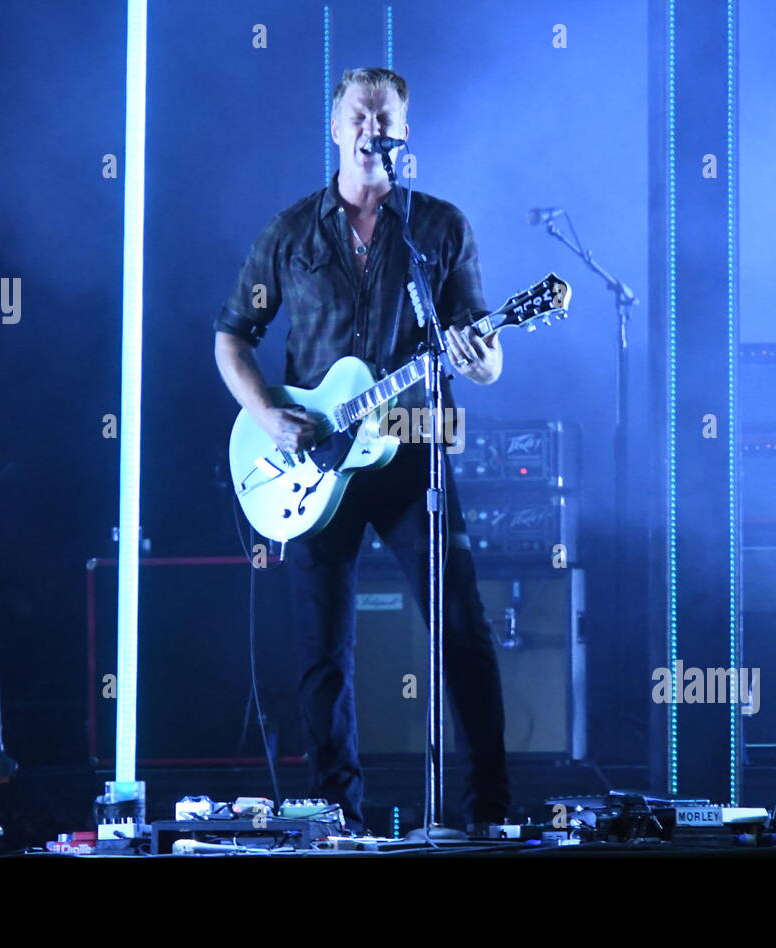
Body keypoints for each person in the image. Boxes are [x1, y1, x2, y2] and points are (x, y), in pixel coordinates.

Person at [213, 66, 509, 834]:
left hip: (409, 457)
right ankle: (336, 821)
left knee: (463, 633)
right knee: (322, 656)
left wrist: (481, 356)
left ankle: (484, 817)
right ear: (337, 127)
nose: (373, 126)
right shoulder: (290, 231)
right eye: (359, 113)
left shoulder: (437, 228)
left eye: (387, 116)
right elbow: (230, 338)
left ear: (404, 131)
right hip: (310, 462)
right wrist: (273, 419)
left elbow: (482, 347)